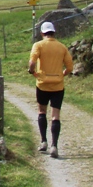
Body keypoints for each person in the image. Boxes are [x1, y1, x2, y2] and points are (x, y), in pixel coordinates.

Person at [28, 21, 73, 159]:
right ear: (54, 32)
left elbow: (32, 62)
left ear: (42, 33)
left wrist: (32, 71)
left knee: (42, 111)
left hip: (42, 84)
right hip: (58, 85)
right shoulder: (62, 47)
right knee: (55, 115)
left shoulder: (38, 45)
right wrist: (62, 74)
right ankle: (54, 145)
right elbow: (70, 67)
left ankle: (43, 142)